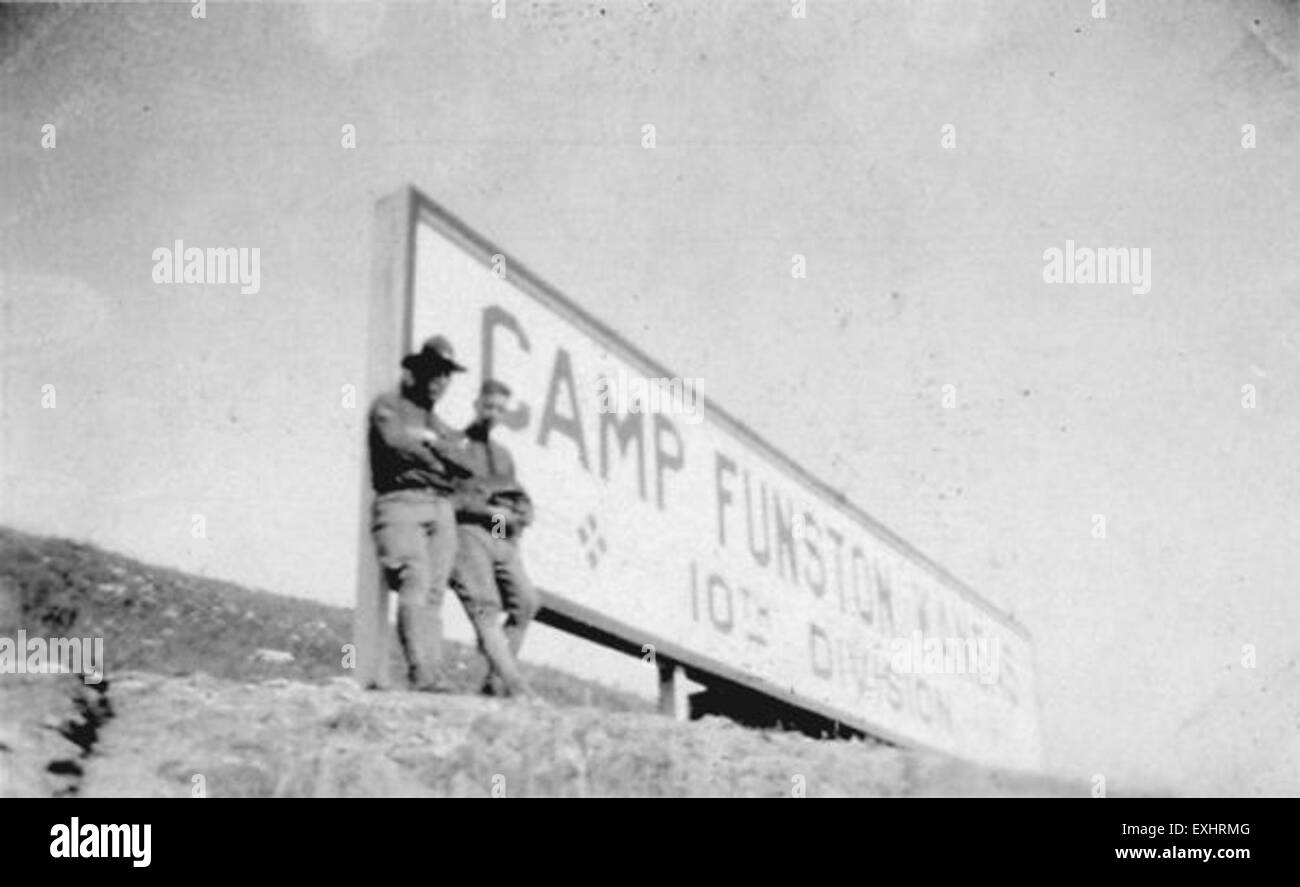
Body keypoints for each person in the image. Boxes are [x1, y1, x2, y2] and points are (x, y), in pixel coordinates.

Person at [367, 335, 474, 692]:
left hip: (441, 508)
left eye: (446, 375)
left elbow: (465, 463)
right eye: (434, 372)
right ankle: (421, 672)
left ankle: (433, 677)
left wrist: (428, 442)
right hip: (401, 501)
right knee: (414, 577)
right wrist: (435, 452)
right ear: (416, 372)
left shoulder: (437, 423)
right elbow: (395, 444)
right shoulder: (390, 405)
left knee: (434, 592)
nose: (440, 382)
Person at [450, 379, 541, 698]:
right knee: (485, 609)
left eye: (500, 410)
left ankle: (494, 682)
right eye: (489, 406)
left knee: (526, 602)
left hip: (502, 535)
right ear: (477, 405)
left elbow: (516, 493)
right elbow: (450, 499)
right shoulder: (456, 444)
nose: (493, 414)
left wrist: (524, 513)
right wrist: (486, 511)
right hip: (469, 531)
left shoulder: (503, 454)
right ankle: (515, 685)